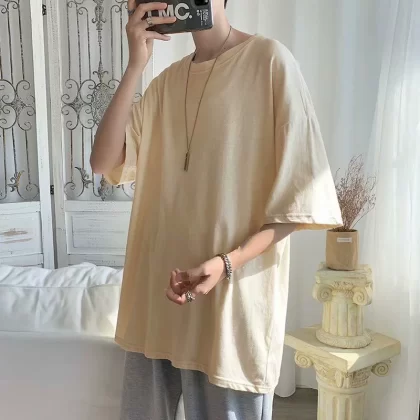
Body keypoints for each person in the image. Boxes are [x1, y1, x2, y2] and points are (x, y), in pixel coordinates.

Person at [91, 0, 342, 418]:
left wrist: (227, 263)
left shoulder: (270, 62)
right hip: (158, 300)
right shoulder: (166, 83)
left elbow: (298, 202)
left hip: (231, 306)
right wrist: (135, 65)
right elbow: (103, 161)